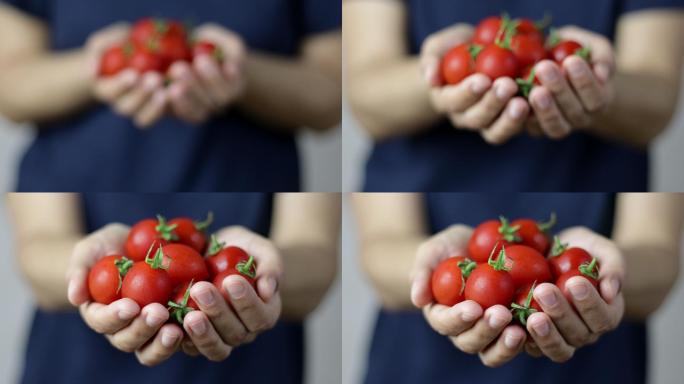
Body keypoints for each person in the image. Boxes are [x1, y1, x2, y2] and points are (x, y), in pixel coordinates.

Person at [0, 1, 341, 191]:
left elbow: (330, 96)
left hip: (242, 192)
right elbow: (10, 86)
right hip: (73, 193)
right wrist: (94, 70)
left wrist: (243, 74)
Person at [344, 0, 684, 191]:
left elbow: (656, 99)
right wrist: (440, 81)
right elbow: (365, 96)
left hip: (593, 190)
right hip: (420, 187)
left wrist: (598, 84)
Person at [8, 193, 340, 383]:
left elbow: (317, 254)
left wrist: (271, 276)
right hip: (76, 366)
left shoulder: (193, 264)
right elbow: (36, 248)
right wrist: (85, 270)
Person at [353, 193, 682, 383]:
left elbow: (658, 251)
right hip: (418, 365)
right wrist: (427, 272)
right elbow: (380, 247)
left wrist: (614, 275)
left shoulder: (542, 264)